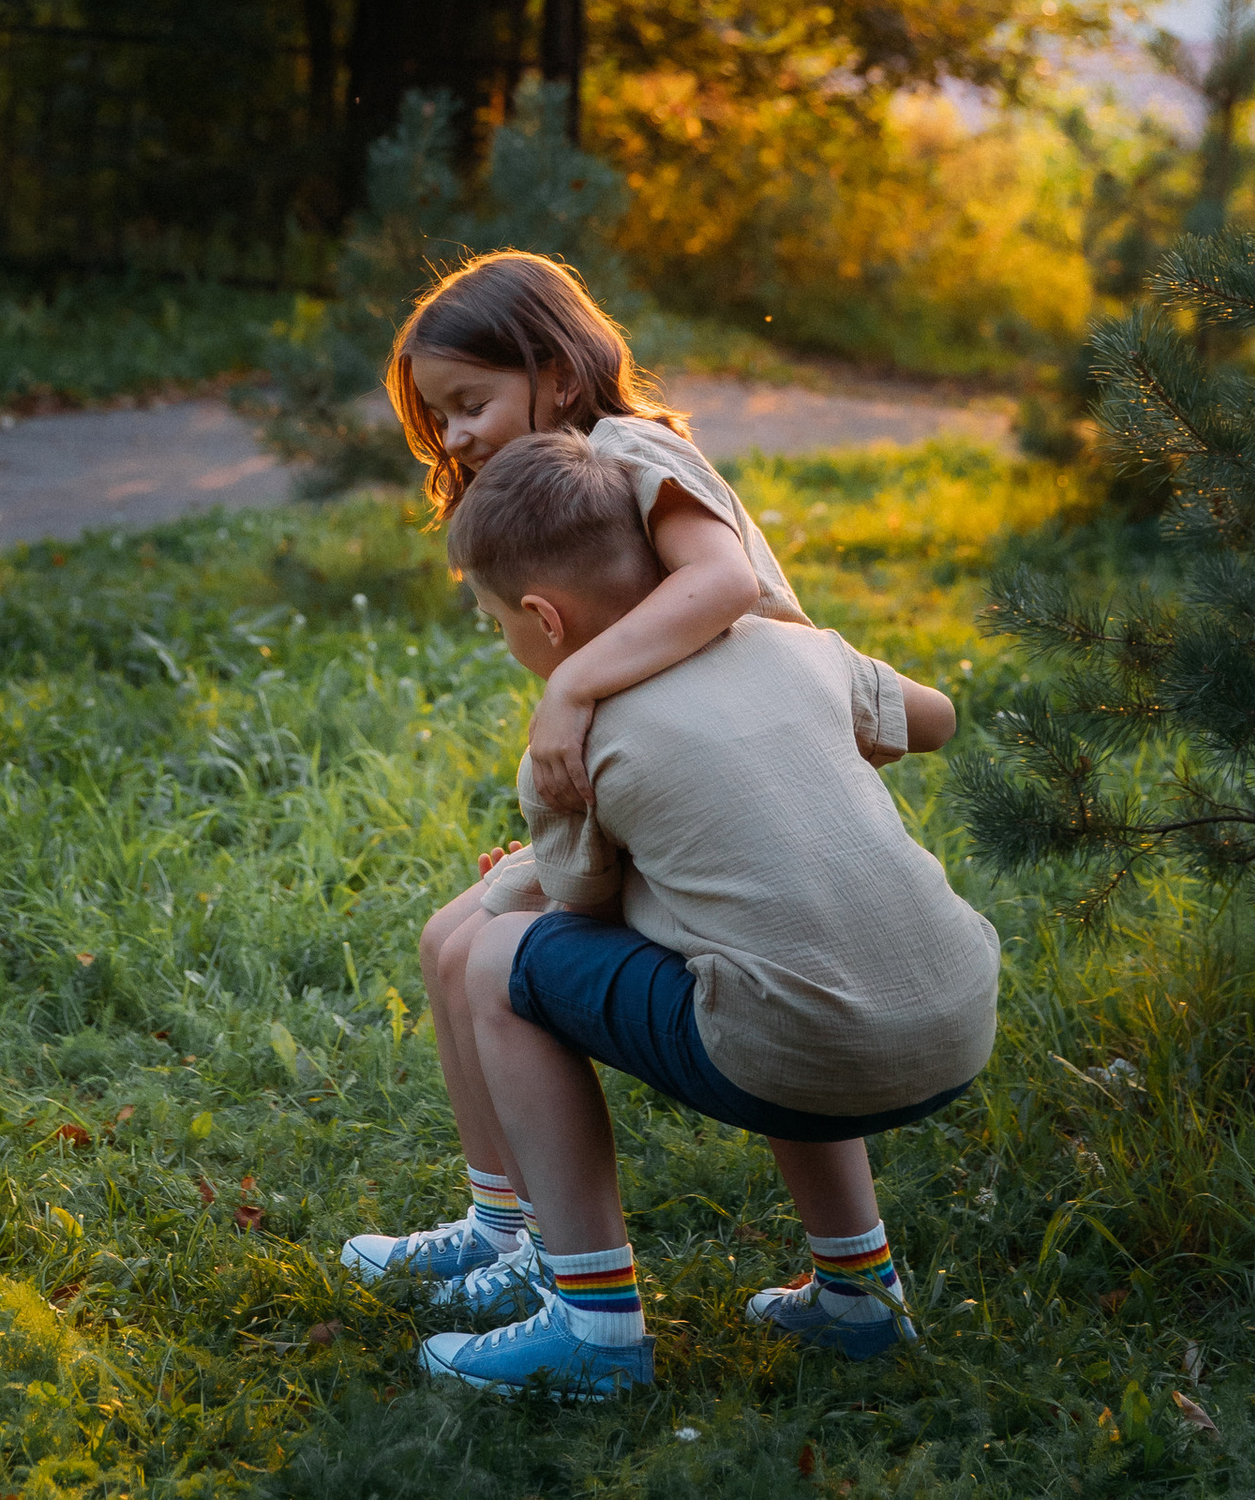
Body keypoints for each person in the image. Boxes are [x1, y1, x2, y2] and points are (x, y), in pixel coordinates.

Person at [345, 427, 998, 1394]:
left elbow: (582, 909)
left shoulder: (574, 745)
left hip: (799, 1054)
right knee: (784, 947)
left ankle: (593, 1331)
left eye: (497, 625)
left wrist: (520, 878)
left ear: (546, 619)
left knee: (497, 960)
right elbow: (936, 716)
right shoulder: (797, 647)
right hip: (958, 1016)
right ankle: (861, 1298)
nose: (505, 643)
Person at [338, 247, 916, 1318]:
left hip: (759, 780)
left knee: (489, 950)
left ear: (555, 372)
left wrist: (569, 693)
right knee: (446, 939)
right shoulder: (565, 491)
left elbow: (724, 581)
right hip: (682, 794)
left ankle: (564, 1262)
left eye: (470, 403)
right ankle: (499, 1225)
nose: (455, 436)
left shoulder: (630, 447)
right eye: (439, 421)